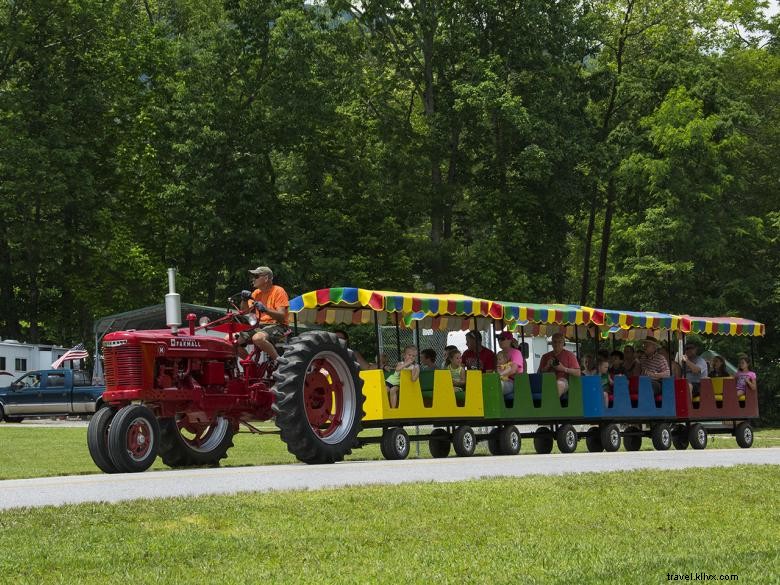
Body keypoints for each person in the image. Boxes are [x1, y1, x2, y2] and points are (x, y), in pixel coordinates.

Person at [238, 266, 289, 362]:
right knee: (232, 341)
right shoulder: (256, 293)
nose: (253, 279)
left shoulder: (278, 291)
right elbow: (245, 312)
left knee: (258, 338)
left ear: (266, 278)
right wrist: (244, 300)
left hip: (279, 326)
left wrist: (266, 310)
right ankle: (252, 366)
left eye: (256, 276)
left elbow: (282, 317)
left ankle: (278, 360)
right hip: (260, 326)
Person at [538, 333, 581, 397]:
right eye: (555, 342)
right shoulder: (545, 356)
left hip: (563, 381)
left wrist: (563, 368)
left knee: (559, 384)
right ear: (552, 343)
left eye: (560, 342)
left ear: (563, 343)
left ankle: (552, 401)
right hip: (547, 382)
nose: (557, 344)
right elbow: (539, 374)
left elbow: (578, 373)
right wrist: (547, 366)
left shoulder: (570, 355)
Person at [496, 331, 524, 400]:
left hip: (513, 383)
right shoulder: (499, 354)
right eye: (498, 339)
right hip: (501, 380)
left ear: (510, 340)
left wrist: (500, 375)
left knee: (496, 385)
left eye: (502, 339)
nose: (499, 341)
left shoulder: (516, 352)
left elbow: (513, 369)